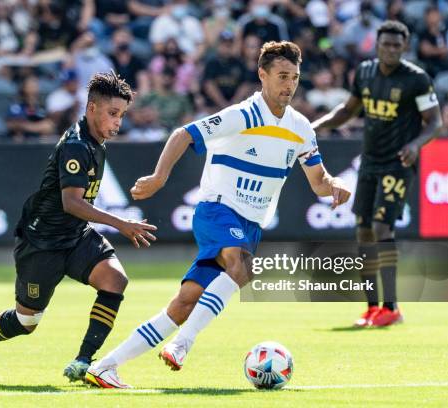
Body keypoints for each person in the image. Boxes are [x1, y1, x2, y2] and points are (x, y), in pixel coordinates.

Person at [84, 41, 351, 388]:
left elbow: (318, 181)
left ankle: (105, 366)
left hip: (250, 224)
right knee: (242, 266)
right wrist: (159, 176)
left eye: (295, 77)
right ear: (262, 75)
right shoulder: (242, 115)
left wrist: (336, 184)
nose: (289, 84)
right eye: (282, 76)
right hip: (217, 209)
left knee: (184, 303)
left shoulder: (301, 128)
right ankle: (182, 344)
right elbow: (184, 134)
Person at [0, 71, 158, 382]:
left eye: (122, 115)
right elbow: (72, 203)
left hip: (74, 236)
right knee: (26, 321)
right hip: (42, 242)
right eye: (112, 114)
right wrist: (121, 223)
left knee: (115, 280)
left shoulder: (96, 142)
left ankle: (84, 361)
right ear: (92, 108)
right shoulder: (77, 146)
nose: (118, 122)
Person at [312, 21, 442, 327]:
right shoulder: (365, 73)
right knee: (364, 232)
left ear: (405, 47)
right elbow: (347, 110)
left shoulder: (416, 79)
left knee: (383, 229)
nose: (392, 49)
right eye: (387, 44)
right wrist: (316, 126)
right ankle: (372, 308)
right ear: (377, 44)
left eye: (398, 45)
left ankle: (392, 307)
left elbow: (435, 122)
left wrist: (416, 144)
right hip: (369, 162)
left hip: (398, 162)